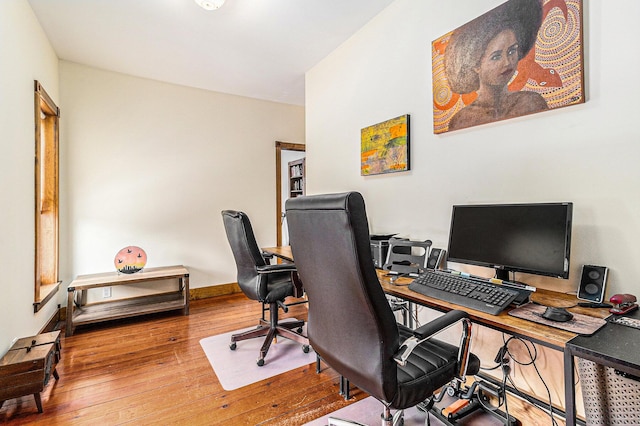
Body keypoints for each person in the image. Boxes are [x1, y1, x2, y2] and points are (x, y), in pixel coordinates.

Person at [444, 0, 547, 131]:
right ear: (476, 65)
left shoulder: (531, 102)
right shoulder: (460, 120)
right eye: (496, 56)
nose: (507, 62)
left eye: (512, 51)